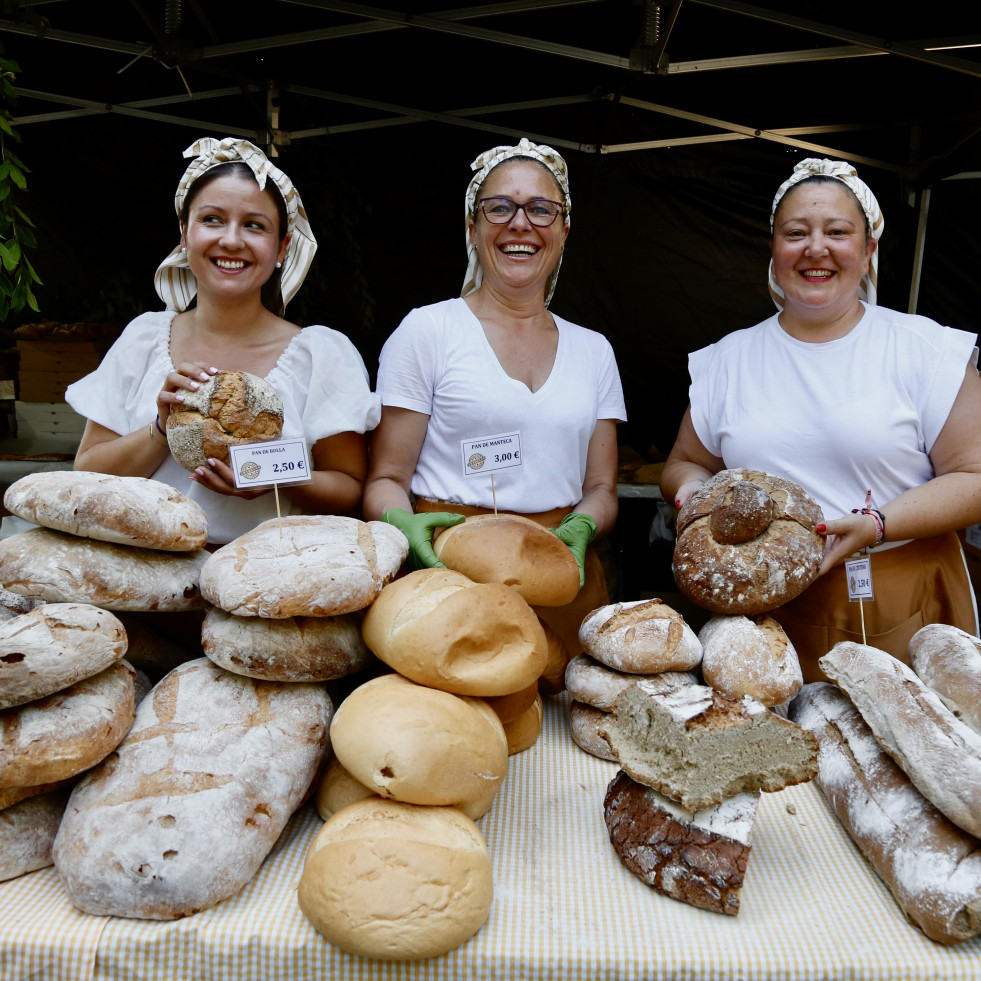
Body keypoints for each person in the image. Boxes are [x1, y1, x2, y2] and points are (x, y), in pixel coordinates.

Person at [660, 157, 981, 681]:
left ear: (868, 250)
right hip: (765, 610)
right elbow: (686, 462)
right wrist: (695, 496)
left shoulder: (925, 350)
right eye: (796, 233)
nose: (816, 249)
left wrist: (880, 525)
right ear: (773, 248)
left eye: (838, 232)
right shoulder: (728, 360)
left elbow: (975, 476)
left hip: (903, 596)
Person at [363, 137, 626, 666]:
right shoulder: (428, 331)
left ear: (564, 230)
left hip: (559, 582)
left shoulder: (593, 350)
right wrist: (402, 524)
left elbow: (601, 487)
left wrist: (582, 526)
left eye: (541, 209)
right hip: (449, 580)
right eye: (499, 207)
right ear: (473, 227)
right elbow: (384, 479)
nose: (519, 223)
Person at [67, 137, 379, 546]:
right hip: (142, 581)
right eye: (212, 219)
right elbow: (85, 474)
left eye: (254, 225)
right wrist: (163, 428)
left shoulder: (321, 355)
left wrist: (269, 478)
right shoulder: (143, 340)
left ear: (282, 246)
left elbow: (348, 487)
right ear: (184, 232)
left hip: (267, 583)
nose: (231, 241)